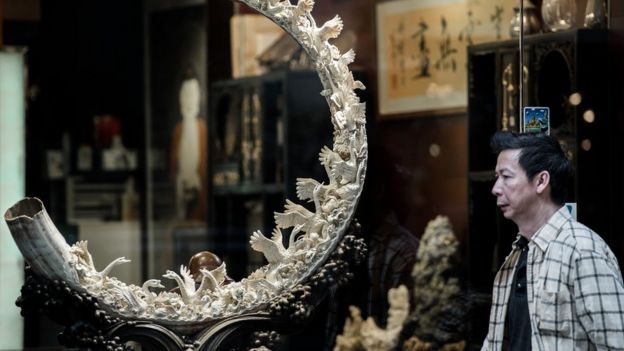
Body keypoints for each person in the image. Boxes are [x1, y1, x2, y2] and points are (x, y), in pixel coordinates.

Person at [482, 131, 624, 350]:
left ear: (541, 181)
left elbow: (617, 343)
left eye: (506, 176)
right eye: (496, 178)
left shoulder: (582, 249)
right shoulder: (518, 253)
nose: (496, 188)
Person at [170, 69, 208, 221]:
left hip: (197, 180)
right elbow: (173, 162)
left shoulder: (201, 128)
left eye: (192, 95)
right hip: (182, 179)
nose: (189, 101)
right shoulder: (179, 130)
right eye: (185, 96)